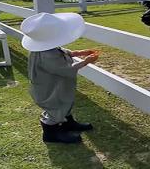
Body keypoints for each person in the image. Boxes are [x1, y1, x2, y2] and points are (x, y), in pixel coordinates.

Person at [21, 12, 99, 144]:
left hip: (55, 85)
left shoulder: (45, 47)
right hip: (50, 89)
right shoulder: (47, 55)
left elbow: (62, 52)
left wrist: (79, 52)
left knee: (64, 103)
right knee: (55, 108)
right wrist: (86, 61)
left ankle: (69, 123)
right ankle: (50, 134)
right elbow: (66, 69)